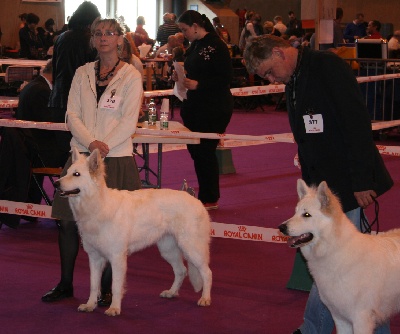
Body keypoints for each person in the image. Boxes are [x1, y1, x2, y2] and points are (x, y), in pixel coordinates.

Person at [243, 35, 393, 334]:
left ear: (279, 52)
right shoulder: (295, 79)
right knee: (356, 273)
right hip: (322, 184)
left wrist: (362, 180)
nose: (271, 79)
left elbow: (356, 122)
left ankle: (312, 329)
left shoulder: (327, 66)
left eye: (270, 71)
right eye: (265, 77)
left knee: (332, 268)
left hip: (346, 183)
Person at [42, 17, 143, 306]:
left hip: (117, 157)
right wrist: (90, 145)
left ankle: (107, 290)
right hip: (80, 158)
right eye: (98, 33)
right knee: (68, 223)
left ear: (120, 40)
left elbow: (129, 119)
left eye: (110, 33)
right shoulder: (82, 72)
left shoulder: (131, 76)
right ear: (92, 40)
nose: (103, 38)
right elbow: (71, 114)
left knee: (114, 227)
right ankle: (65, 284)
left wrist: (103, 147)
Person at [41, 1, 101, 302]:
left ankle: (67, 283)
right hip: (77, 113)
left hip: (56, 102)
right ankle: (99, 289)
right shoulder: (88, 44)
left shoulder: (62, 36)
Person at [175, 10, 233, 210]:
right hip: (196, 106)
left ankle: (209, 197)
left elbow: (225, 78)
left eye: (184, 30)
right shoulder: (195, 45)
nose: (183, 34)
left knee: (204, 152)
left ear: (196, 26)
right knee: (198, 152)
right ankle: (206, 195)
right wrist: (181, 78)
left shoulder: (218, 46)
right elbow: (195, 71)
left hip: (213, 107)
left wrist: (199, 84)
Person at [48, 1, 100, 169]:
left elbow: (55, 69)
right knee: (79, 154)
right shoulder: (89, 40)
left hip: (57, 99)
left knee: (64, 152)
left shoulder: (61, 37)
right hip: (78, 102)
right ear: (91, 20)